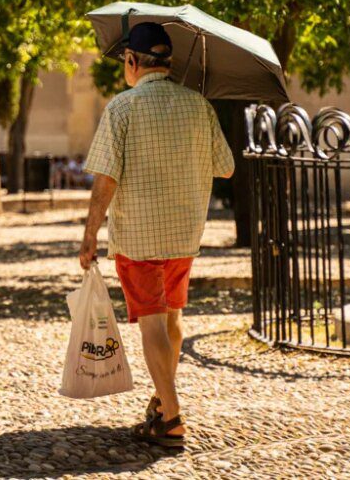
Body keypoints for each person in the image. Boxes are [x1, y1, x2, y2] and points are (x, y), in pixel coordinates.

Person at [77, 22, 234, 448]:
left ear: (131, 61)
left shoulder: (123, 108)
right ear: (167, 62)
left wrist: (90, 233)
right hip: (184, 234)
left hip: (139, 237)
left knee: (151, 324)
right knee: (172, 320)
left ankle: (172, 416)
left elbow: (106, 177)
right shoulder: (198, 105)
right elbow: (226, 167)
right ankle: (164, 404)